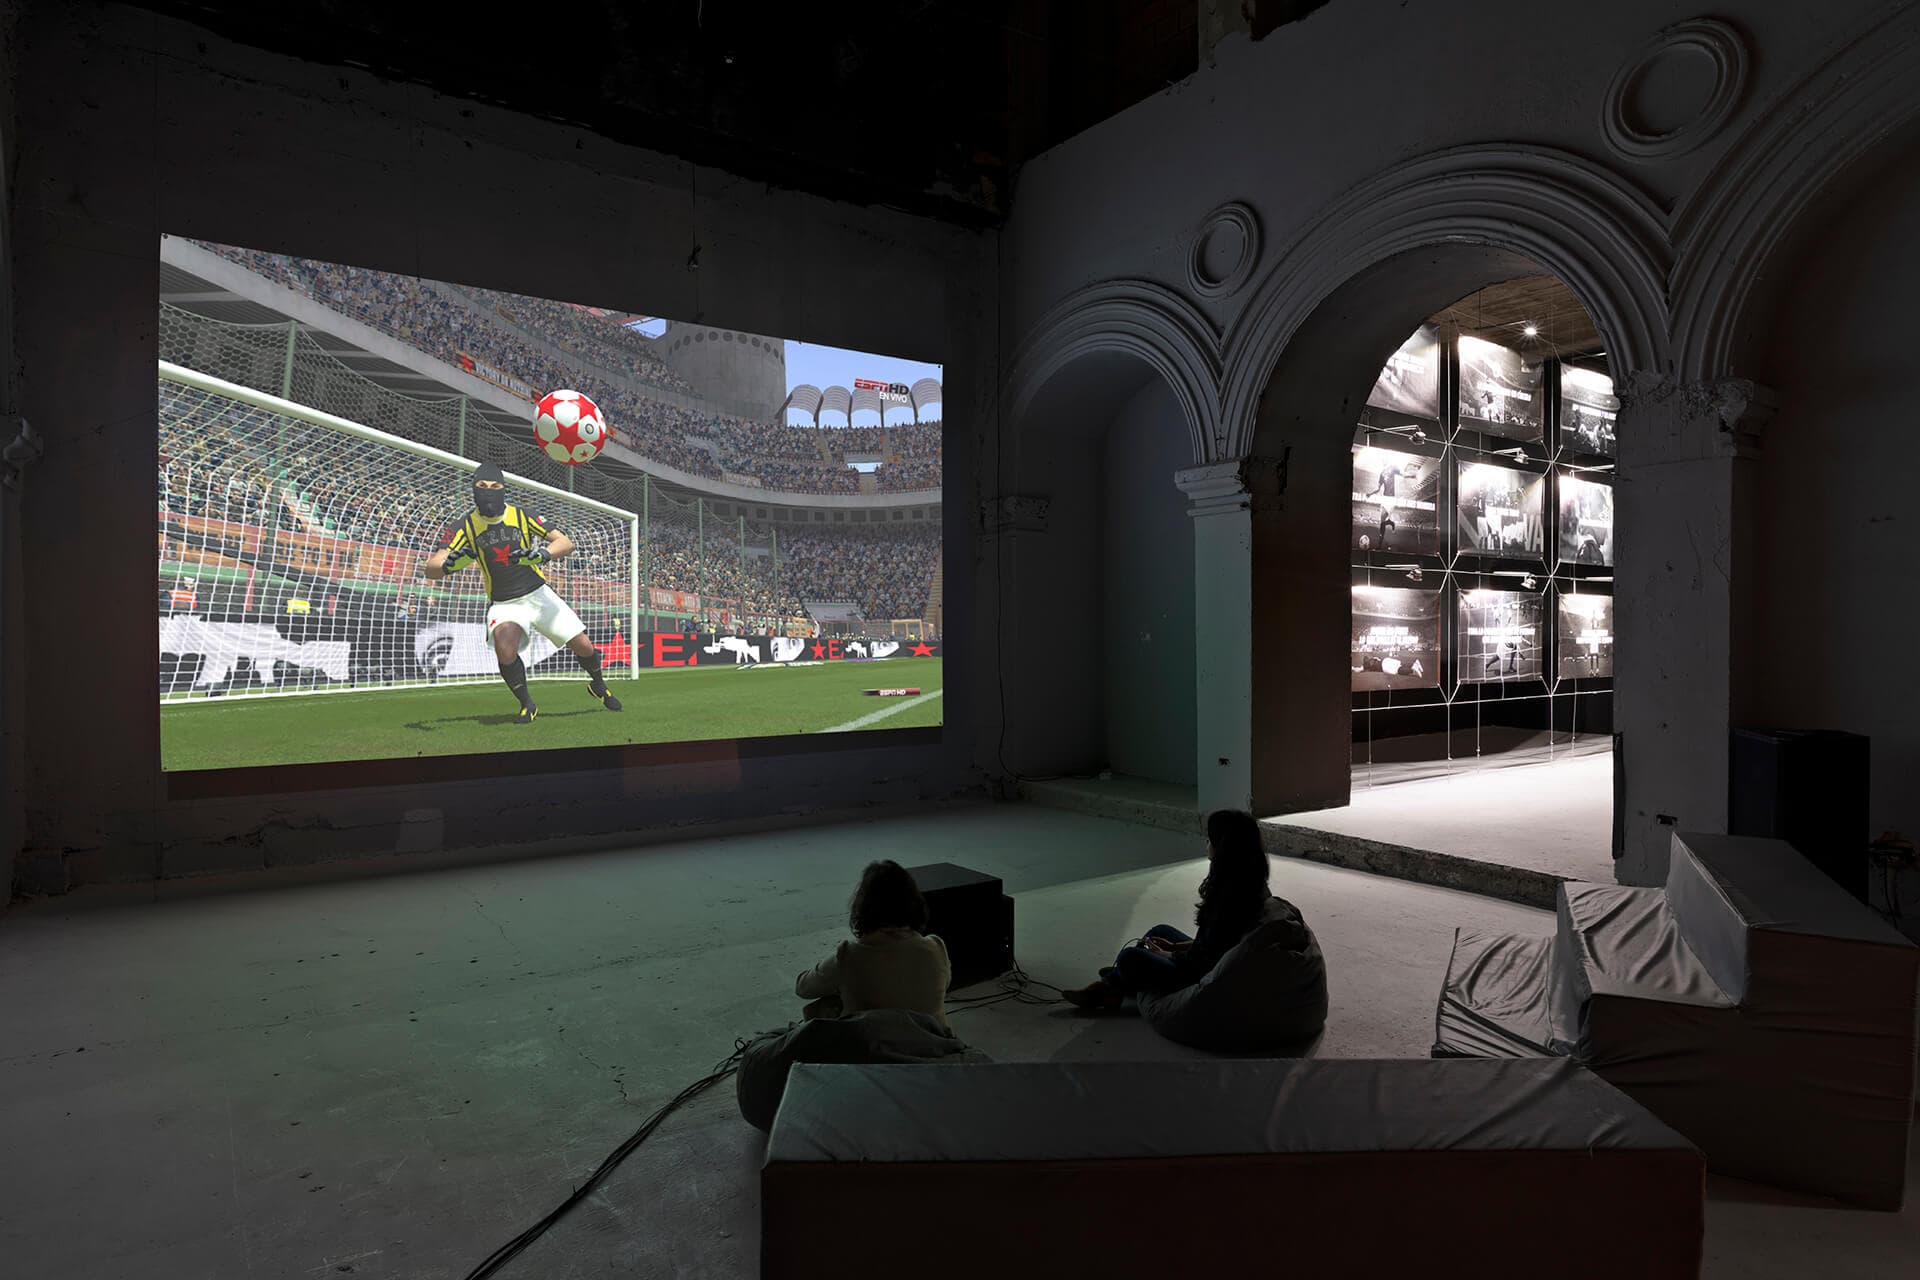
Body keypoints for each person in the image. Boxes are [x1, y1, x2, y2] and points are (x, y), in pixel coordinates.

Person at [419, 462, 623, 724]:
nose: (489, 491)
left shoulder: (523, 515)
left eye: (495, 486)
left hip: (538, 593)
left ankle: (598, 684)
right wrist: (448, 565)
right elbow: (431, 567)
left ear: (504, 489)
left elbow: (565, 542)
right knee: (504, 649)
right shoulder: (464, 526)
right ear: (474, 489)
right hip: (505, 602)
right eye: (482, 486)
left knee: (583, 645)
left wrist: (542, 554)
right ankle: (527, 703)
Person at [1064, 810, 1274, 1011]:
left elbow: (1203, 961)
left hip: (1202, 976)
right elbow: (1214, 945)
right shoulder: (1246, 883)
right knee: (1160, 931)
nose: (1207, 843)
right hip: (1209, 960)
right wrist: (1174, 946)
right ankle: (1116, 983)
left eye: (1210, 839)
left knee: (1129, 957)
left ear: (1223, 848)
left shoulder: (1230, 899)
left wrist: (1167, 954)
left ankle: (1112, 985)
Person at [795, 861, 951, 1028]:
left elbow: (803, 988)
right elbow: (945, 984)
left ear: (863, 906)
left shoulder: (848, 955)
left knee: (827, 1005)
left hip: (872, 1041)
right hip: (932, 1039)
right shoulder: (935, 947)